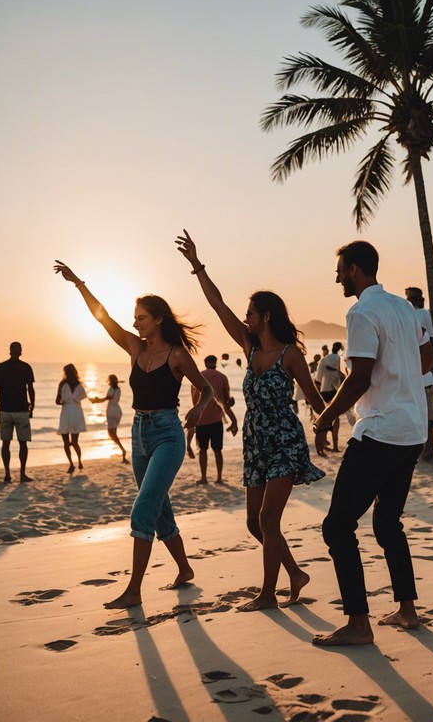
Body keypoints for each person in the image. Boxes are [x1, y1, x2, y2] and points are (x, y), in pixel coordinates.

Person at [176, 231, 326, 611]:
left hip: (285, 442)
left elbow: (313, 397)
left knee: (268, 520)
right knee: (254, 524)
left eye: (251, 314)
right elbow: (218, 305)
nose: (245, 318)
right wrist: (197, 265)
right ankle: (295, 573)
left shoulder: (290, 355)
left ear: (266, 316)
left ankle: (267, 595)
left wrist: (325, 426)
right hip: (255, 442)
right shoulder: (250, 345)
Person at [54, 259, 213, 609]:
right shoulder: (135, 348)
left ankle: (133, 590)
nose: (135, 323)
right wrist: (78, 282)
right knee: (158, 510)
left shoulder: (177, 356)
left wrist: (198, 410)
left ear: (158, 319)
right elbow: (103, 318)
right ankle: (185, 569)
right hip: (139, 434)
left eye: (141, 317)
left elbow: (206, 390)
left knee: (142, 508)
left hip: (168, 435)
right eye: (135, 318)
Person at [312, 241, 433, 647]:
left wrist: (325, 416)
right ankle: (407, 610)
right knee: (386, 524)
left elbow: (360, 376)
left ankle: (358, 623)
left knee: (337, 527)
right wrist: (402, 381)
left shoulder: (361, 311)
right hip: (412, 431)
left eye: (341, 269)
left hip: (380, 432)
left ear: (357, 270)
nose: (336, 277)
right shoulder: (404, 307)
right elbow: (428, 357)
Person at [0, 342, 36, 484]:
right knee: (23, 443)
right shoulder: (26, 367)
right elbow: (30, 389)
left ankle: (7, 474)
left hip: (5, 409)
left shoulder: (0, 367)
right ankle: (22, 474)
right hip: (21, 409)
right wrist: (32, 407)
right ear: (20, 351)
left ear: (10, 351)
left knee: (6, 443)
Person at [191, 355, 238, 484]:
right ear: (215, 363)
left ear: (205, 363)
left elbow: (194, 400)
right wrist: (233, 419)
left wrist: (194, 418)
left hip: (201, 419)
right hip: (217, 419)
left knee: (202, 449)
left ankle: (204, 477)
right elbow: (227, 400)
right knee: (217, 450)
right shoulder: (222, 377)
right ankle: (219, 478)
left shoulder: (198, 376)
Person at [405, 287, 433, 461]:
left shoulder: (410, 314)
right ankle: (428, 451)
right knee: (427, 418)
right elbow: (431, 342)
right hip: (424, 375)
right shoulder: (422, 314)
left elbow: (429, 341)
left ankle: (423, 451)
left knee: (416, 417)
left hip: (414, 375)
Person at [90, 375, 129, 463]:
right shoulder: (117, 389)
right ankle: (122, 452)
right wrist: (96, 400)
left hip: (112, 411)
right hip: (116, 410)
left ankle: (122, 450)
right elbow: (108, 398)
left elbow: (107, 398)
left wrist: (96, 400)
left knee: (111, 434)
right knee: (113, 433)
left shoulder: (113, 389)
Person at [56, 363, 87, 474]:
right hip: (76, 412)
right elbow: (83, 397)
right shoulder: (79, 384)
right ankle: (79, 461)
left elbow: (57, 401)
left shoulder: (62, 384)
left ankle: (71, 464)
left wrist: (64, 401)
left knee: (66, 442)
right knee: (75, 442)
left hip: (66, 412)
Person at [315, 342, 344, 451]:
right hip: (336, 390)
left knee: (327, 415)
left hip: (325, 390)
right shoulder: (340, 359)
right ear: (340, 349)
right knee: (336, 418)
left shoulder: (324, 359)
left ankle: (323, 440)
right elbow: (344, 375)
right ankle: (335, 446)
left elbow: (318, 377)